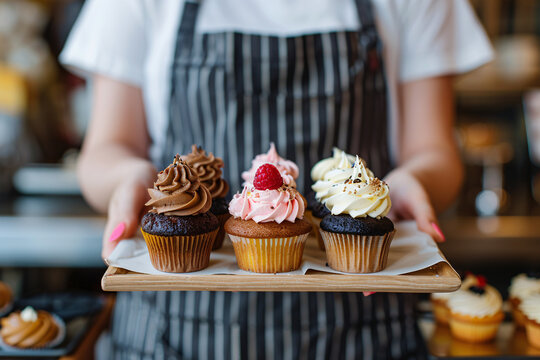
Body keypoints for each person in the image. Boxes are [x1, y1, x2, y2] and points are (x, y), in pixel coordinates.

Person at [61, 0, 493, 358]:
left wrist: (411, 181)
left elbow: (436, 153)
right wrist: (129, 177)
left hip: (364, 329)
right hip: (171, 333)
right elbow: (104, 152)